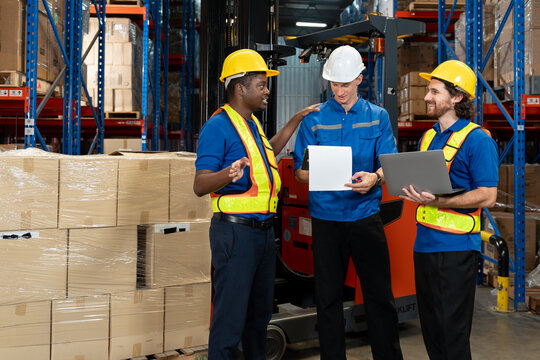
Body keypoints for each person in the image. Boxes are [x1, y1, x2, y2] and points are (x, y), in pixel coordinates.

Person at [193, 48, 319, 360]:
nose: (267, 91)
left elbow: (268, 151)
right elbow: (200, 184)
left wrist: (295, 120)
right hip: (235, 236)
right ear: (240, 88)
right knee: (230, 318)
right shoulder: (218, 127)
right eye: (261, 85)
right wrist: (226, 173)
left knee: (259, 317)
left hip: (262, 236)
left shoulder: (251, 125)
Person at [293, 45, 403, 360]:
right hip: (326, 221)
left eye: (345, 84)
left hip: (366, 217)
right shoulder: (313, 120)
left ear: (359, 78)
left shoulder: (377, 117)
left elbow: (389, 163)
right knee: (327, 299)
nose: (339, 91)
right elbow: (301, 172)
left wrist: (376, 178)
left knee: (379, 297)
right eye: (334, 84)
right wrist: (313, 174)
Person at [400, 60, 498, 360]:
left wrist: (442, 202)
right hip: (425, 246)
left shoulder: (478, 140)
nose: (427, 97)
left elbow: (487, 195)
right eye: (428, 91)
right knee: (431, 330)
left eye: (434, 91)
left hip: (456, 251)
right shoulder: (429, 135)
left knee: (451, 334)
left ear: (457, 98)